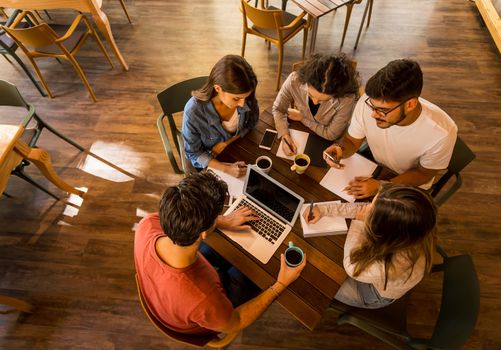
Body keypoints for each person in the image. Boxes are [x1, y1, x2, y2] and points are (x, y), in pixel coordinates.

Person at [134, 171, 306, 336]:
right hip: (206, 315)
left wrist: (224, 220)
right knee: (252, 272)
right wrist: (281, 284)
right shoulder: (202, 299)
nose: (219, 216)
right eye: (218, 215)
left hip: (168, 294)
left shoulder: (147, 223)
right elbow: (236, 321)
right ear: (202, 233)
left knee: (229, 253)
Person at [324, 59, 457, 199]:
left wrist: (382, 186)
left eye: (382, 110)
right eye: (372, 106)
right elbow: (351, 141)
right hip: (375, 166)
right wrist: (340, 149)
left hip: (408, 182)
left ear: (410, 104)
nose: (373, 114)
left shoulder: (442, 133)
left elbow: (423, 174)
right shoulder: (366, 103)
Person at [304, 184, 436, 309]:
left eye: (371, 211)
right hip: (380, 270)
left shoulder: (388, 266)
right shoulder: (415, 227)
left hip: (375, 292)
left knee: (315, 280)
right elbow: (364, 209)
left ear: (384, 230)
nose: (366, 208)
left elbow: (351, 266)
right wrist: (324, 209)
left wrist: (359, 221)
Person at [182, 55, 259, 177]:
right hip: (209, 161)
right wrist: (226, 169)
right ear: (218, 88)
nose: (243, 104)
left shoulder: (245, 97)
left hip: (235, 149)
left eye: (245, 97)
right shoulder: (193, 112)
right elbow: (194, 153)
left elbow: (251, 123)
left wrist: (227, 142)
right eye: (236, 98)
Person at [273, 53, 360, 156]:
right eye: (310, 95)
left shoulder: (347, 99)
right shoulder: (294, 80)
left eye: (324, 100)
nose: (314, 102)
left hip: (330, 145)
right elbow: (278, 109)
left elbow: (331, 134)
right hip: (305, 133)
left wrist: (302, 118)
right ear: (305, 81)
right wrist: (285, 135)